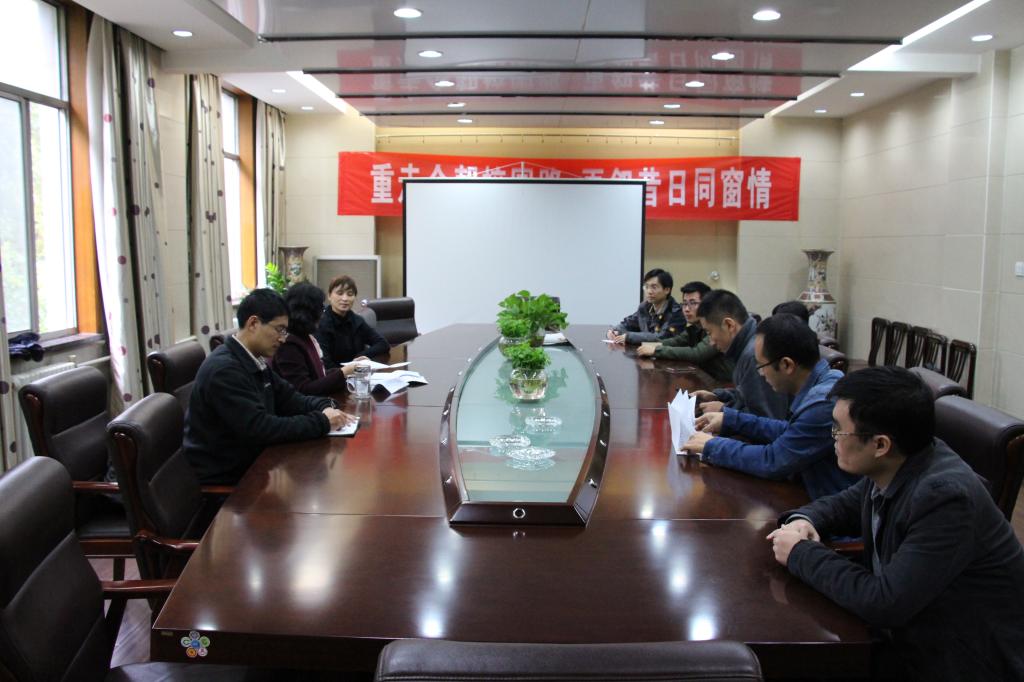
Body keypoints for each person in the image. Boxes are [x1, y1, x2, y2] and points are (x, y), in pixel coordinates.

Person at [767, 367, 1024, 681]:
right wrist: (804, 520)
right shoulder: (902, 461)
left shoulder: (946, 498)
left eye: (839, 430)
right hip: (916, 635)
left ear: (880, 445)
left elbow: (885, 602)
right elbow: (846, 504)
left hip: (962, 659)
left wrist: (800, 553)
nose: (832, 437)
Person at [184, 288, 353, 485]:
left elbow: (291, 398)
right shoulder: (224, 370)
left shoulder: (253, 359)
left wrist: (325, 406)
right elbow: (261, 428)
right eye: (279, 330)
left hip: (253, 461)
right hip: (230, 476)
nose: (283, 338)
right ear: (253, 323)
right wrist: (322, 421)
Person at [683, 314, 859, 499]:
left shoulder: (823, 403)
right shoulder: (826, 379)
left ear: (787, 365)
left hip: (829, 503)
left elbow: (773, 460)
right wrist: (730, 419)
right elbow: (790, 431)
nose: (760, 374)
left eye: (761, 366)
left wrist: (712, 445)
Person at [690, 289, 789, 419]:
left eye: (709, 333)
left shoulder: (754, 355)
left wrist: (724, 409)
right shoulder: (746, 345)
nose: (711, 342)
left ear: (729, 325)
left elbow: (768, 419)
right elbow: (747, 395)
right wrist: (718, 396)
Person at [635, 280, 732, 382]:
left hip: (727, 384)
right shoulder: (695, 327)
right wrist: (648, 346)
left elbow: (697, 354)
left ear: (707, 305)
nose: (686, 309)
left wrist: (656, 350)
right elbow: (675, 341)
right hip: (707, 380)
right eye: (684, 303)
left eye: (693, 303)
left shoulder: (717, 326)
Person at [271, 282, 349, 396]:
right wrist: (343, 372)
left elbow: (318, 374)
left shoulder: (304, 336)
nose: (322, 315)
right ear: (309, 312)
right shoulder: (288, 344)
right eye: (321, 309)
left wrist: (347, 370)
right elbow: (303, 390)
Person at [316, 275, 389, 367]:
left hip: (357, 372)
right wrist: (347, 369)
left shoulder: (357, 320)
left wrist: (362, 356)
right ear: (329, 296)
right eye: (340, 293)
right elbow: (325, 363)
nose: (345, 299)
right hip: (334, 373)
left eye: (350, 294)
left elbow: (383, 344)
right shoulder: (321, 324)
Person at [606, 268, 685, 345]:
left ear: (667, 290)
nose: (649, 291)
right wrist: (614, 331)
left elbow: (662, 337)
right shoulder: (644, 307)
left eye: (654, 287)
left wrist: (629, 336)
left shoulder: (676, 312)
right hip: (645, 351)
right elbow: (627, 324)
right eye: (646, 287)